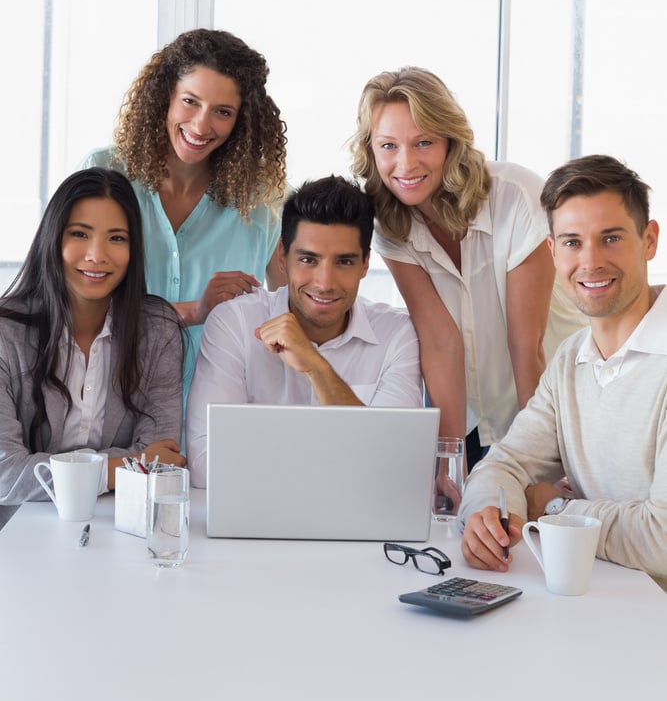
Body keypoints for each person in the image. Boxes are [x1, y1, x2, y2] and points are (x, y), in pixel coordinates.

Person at [351, 66, 586, 485]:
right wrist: (448, 461)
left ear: (449, 142)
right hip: (477, 419)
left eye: (423, 142)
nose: (405, 164)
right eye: (388, 146)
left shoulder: (516, 196)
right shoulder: (390, 222)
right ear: (371, 151)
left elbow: (525, 344)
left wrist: (537, 463)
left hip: (560, 410)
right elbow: (440, 342)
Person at [459, 154, 667, 581]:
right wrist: (487, 512)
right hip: (592, 602)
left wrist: (553, 509)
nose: (590, 262)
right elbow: (505, 464)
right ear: (553, 251)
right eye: (572, 242)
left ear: (649, 240)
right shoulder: (570, 360)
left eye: (610, 238)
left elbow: (661, 540)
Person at [82, 28, 287, 393]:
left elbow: (289, 316)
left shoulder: (263, 205)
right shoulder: (105, 176)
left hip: (219, 414)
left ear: (241, 120)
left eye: (222, 112)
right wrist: (194, 310)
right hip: (109, 408)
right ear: (166, 97)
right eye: (190, 101)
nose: (200, 125)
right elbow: (73, 304)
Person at [186, 175, 423, 488]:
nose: (324, 282)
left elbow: (396, 470)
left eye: (344, 262)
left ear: (365, 263)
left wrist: (315, 366)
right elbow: (206, 464)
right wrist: (349, 461)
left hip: (358, 531)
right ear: (283, 257)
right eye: (309, 259)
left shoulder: (397, 335)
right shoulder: (235, 324)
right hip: (253, 528)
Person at [0, 167, 185, 526]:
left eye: (116, 238)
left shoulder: (158, 330)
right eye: (80, 234)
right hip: (18, 534)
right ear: (53, 239)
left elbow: (162, 459)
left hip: (120, 526)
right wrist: (120, 466)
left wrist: (47, 466)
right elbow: (6, 472)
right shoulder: (6, 333)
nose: (97, 255)